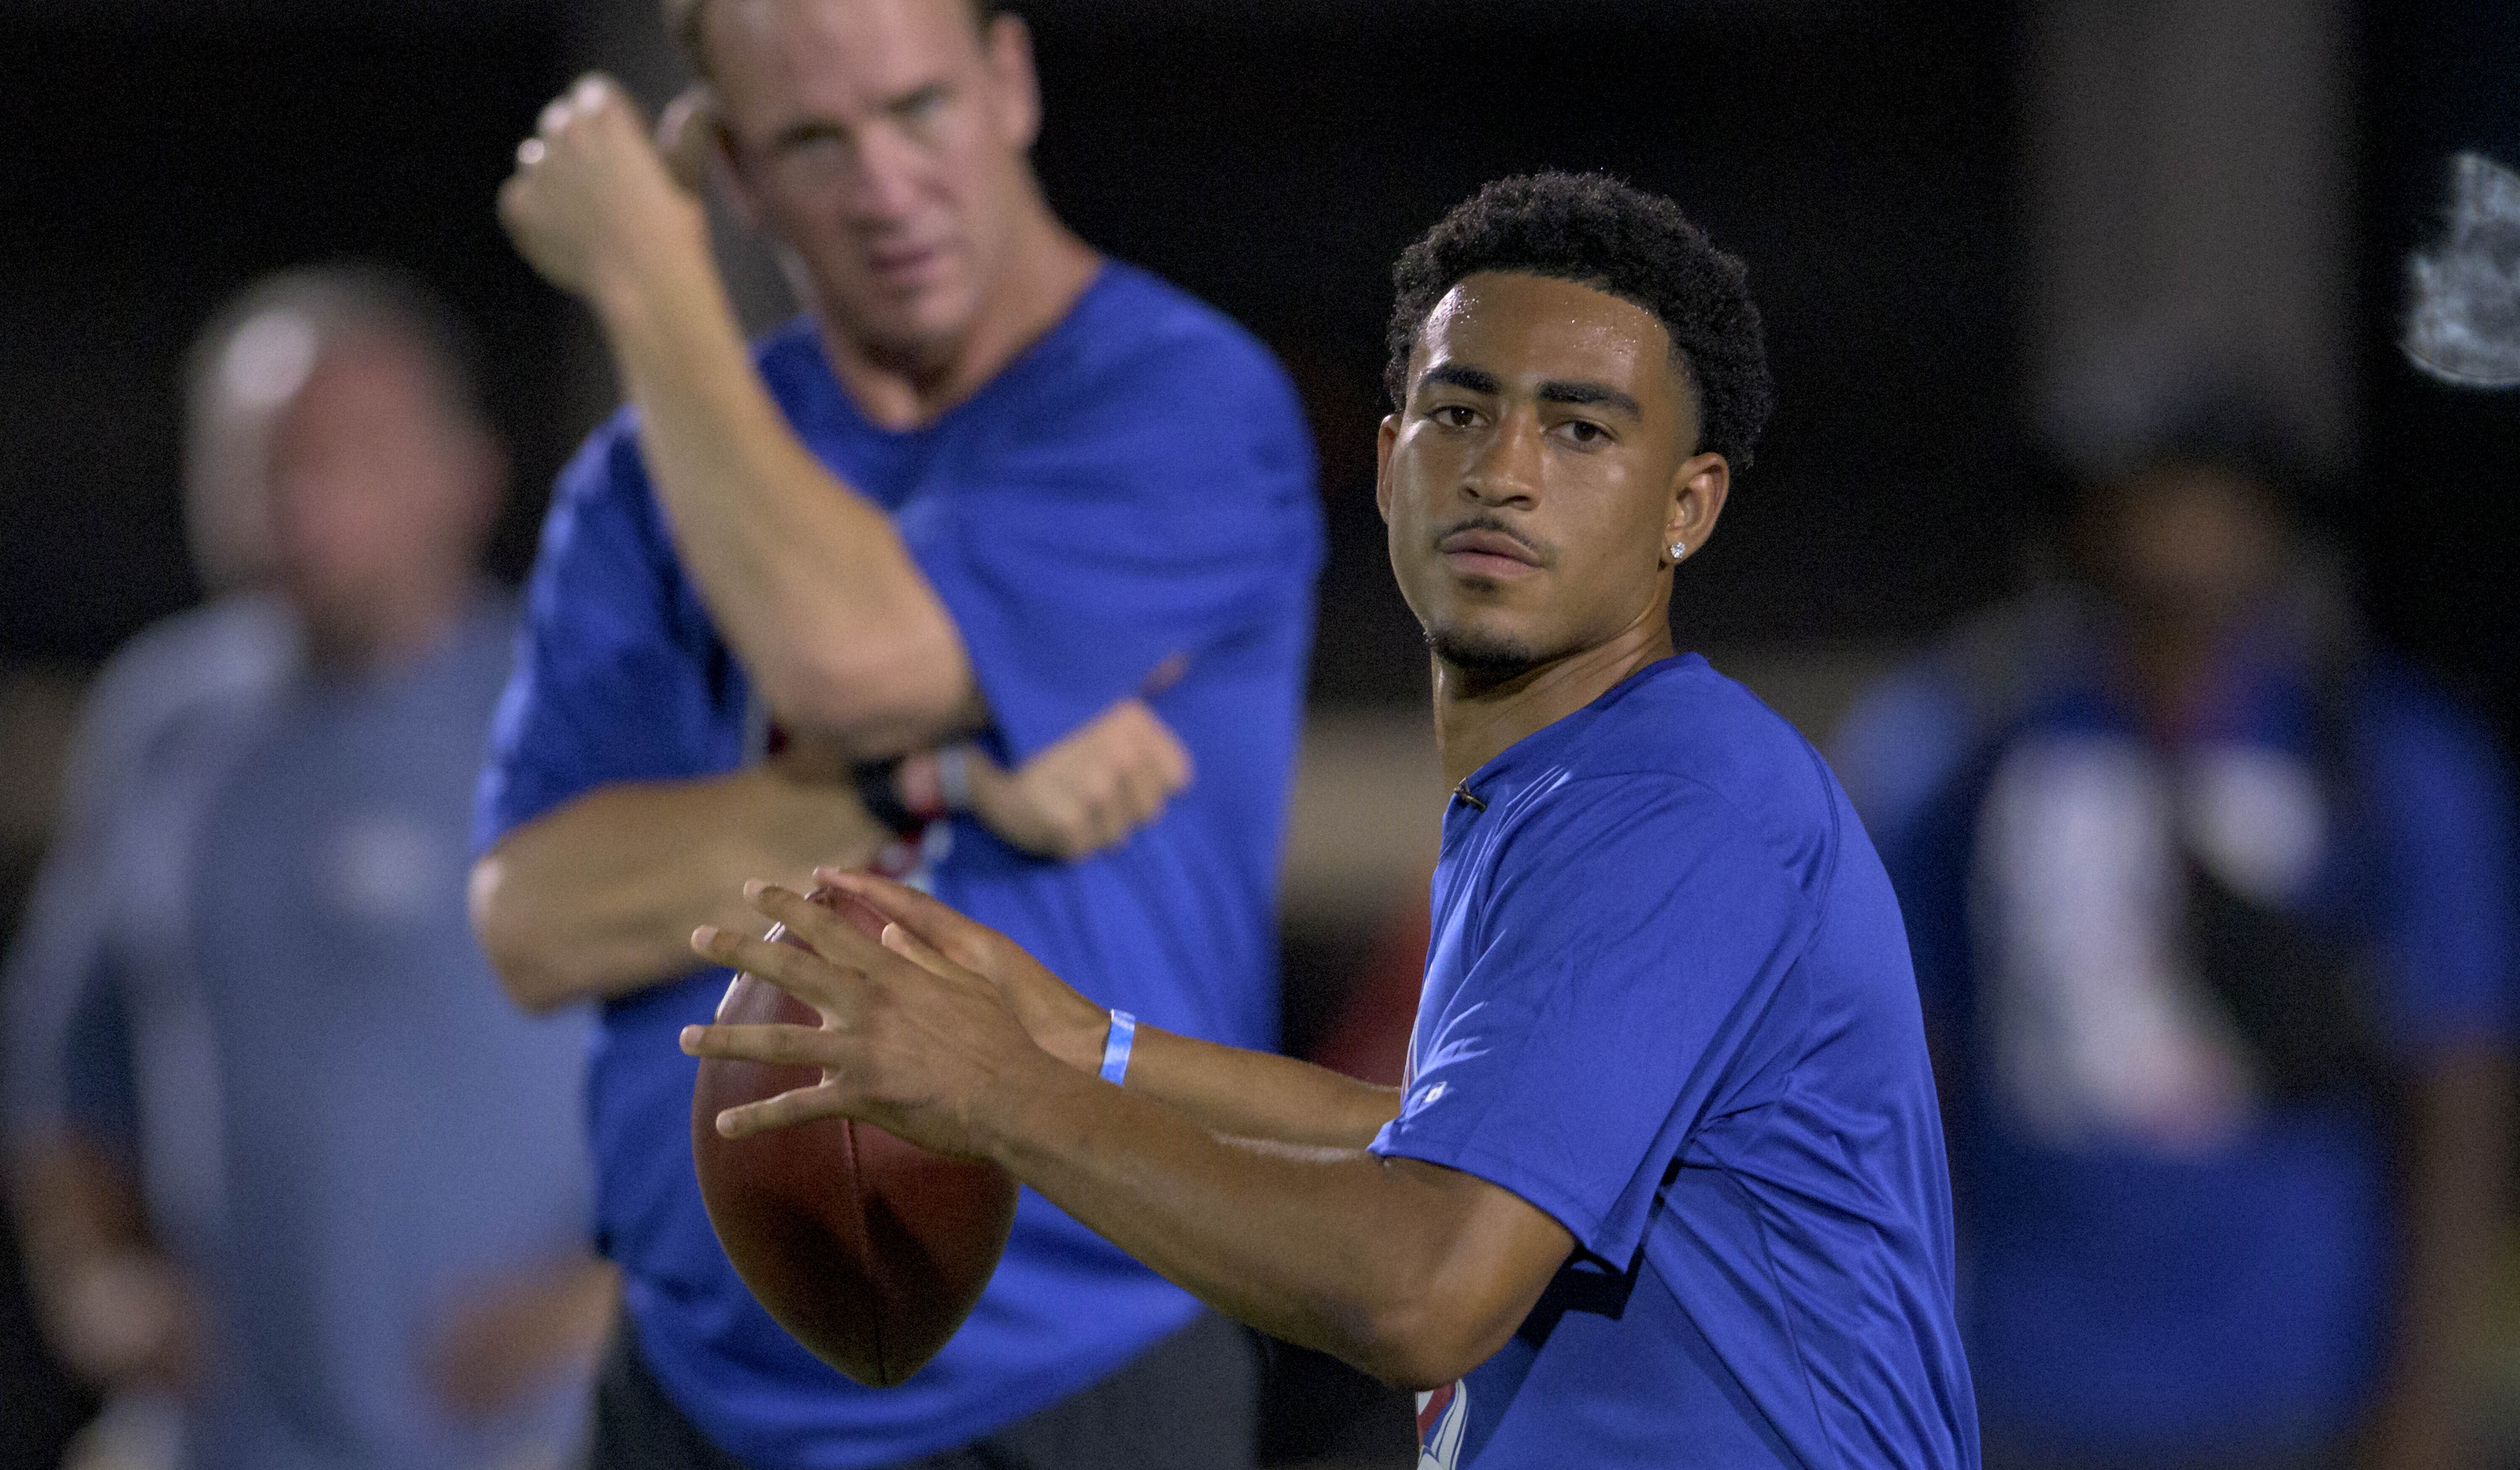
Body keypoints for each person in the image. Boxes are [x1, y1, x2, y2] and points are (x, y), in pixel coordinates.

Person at [676, 172, 1982, 1469]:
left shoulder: (1665, 802)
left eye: (1581, 431)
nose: (1503, 473)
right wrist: (1091, 1047)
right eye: (1459, 410)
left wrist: (1006, 1095)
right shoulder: (1578, 784)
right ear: (1385, 458)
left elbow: (1425, 1287)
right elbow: (1439, 1136)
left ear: (1686, 509)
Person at [475, 0, 1322, 1470]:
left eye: (919, 105)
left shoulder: (1178, 399)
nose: (881, 182)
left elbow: (855, 656)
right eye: (812, 137)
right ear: (735, 171)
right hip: (696, 1374)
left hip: (1079, 1370)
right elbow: (533, 919)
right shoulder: (644, 487)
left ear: (1010, 82)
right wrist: (941, 771)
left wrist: (650, 279)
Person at [1828, 344, 2516, 1470]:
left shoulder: (2391, 759)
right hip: (2020, 1373)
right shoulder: (1953, 751)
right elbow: (1890, 1068)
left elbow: (2457, 1084)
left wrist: (2419, 1401)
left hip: (2300, 1376)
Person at [3, 268, 617, 1470]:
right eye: (255, 463)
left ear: (467, 475)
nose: (300, 507)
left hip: (523, 1440)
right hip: (226, 1439)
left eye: (349, 459)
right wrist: (94, 1279)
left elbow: (747, 1065)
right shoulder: (162, 724)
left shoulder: (586, 719)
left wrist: (606, 1306)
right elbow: (64, 1057)